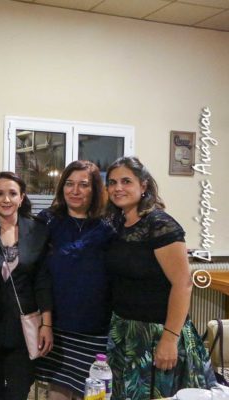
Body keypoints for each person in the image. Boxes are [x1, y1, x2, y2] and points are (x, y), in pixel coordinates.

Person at [105, 156, 216, 399]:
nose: (118, 188)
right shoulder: (118, 223)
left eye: (126, 181)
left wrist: (169, 339)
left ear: (143, 185)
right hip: (124, 332)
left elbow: (183, 284)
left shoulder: (160, 224)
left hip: (157, 334)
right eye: (112, 182)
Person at [0, 171, 53, 400]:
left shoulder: (38, 231)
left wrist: (47, 324)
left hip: (23, 327)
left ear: (22, 197)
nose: (6, 199)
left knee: (19, 390)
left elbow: (42, 281)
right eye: (0, 194)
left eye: (13, 193)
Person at [34, 160, 114, 399]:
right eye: (69, 184)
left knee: (92, 392)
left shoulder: (109, 225)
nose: (75, 191)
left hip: (96, 328)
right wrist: (46, 323)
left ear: (95, 189)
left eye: (83, 185)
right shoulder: (48, 221)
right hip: (57, 326)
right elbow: (40, 274)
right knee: (57, 392)